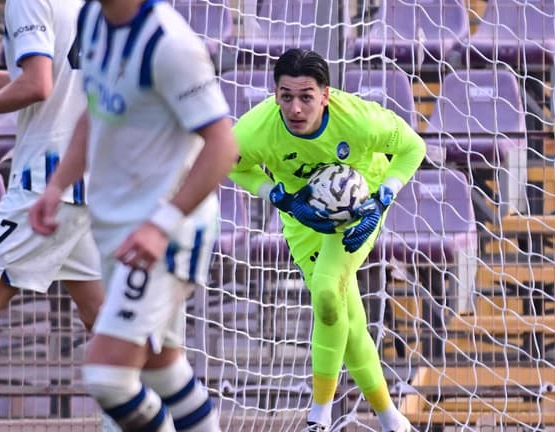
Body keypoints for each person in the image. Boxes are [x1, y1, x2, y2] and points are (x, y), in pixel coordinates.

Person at [29, 0, 238, 430]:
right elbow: (95, 109)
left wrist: (161, 226)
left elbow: (223, 146)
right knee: (162, 370)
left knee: (108, 377)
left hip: (167, 230)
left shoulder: (169, 44)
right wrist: (57, 185)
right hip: (117, 227)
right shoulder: (91, 18)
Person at [229, 48, 426, 432]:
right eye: (286, 97)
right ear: (275, 95)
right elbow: (231, 163)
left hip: (360, 209)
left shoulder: (360, 121)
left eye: (306, 97)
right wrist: (278, 196)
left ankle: (317, 415)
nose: (296, 108)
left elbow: (413, 147)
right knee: (346, 317)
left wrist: (382, 198)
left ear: (325, 95)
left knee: (325, 293)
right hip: (302, 218)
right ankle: (391, 420)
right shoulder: (256, 130)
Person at [0, 1, 105, 431]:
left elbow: (38, 84)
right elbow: (55, 74)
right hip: (92, 186)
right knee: (105, 326)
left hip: (44, 189)